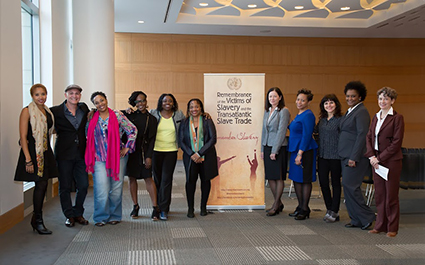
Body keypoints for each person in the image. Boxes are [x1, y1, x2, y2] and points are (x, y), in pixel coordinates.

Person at [85, 91, 137, 227]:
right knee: (101, 189)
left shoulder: (118, 115)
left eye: (102, 100)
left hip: (117, 157)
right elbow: (87, 136)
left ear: (106, 100)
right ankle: (101, 217)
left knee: (116, 188)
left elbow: (132, 130)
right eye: (97, 103)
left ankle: (115, 215)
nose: (100, 104)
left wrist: (127, 147)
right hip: (99, 158)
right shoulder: (92, 118)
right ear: (94, 105)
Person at [14, 84, 59, 234]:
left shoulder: (47, 111)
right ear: (32, 96)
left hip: (45, 151)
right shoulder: (27, 111)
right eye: (37, 95)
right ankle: (38, 220)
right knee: (40, 184)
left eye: (43, 94)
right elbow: (23, 137)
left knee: (43, 184)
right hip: (33, 153)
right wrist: (28, 159)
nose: (41, 97)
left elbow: (49, 131)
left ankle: (36, 218)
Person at [366, 87, 404, 237]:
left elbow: (396, 142)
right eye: (380, 98)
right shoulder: (376, 117)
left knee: (391, 196)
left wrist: (379, 158)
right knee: (380, 195)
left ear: (392, 101)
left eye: (386, 99)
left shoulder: (397, 118)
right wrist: (371, 156)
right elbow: (369, 137)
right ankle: (380, 225)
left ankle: (392, 227)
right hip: (376, 161)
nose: (382, 101)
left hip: (391, 161)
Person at [50, 84, 90, 228]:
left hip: (81, 154)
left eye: (77, 93)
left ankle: (78, 212)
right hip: (64, 154)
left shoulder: (84, 108)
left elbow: (97, 114)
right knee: (65, 186)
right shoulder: (55, 111)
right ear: (65, 95)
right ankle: (69, 215)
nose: (75, 96)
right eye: (71, 93)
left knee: (84, 185)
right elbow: (43, 123)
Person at [338, 81, 375, 230]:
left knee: (351, 186)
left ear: (360, 97)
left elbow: (362, 135)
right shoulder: (350, 111)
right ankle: (356, 219)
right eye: (348, 96)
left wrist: (354, 157)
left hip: (355, 156)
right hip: (345, 155)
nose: (350, 98)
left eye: (353, 96)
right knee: (347, 187)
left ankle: (367, 216)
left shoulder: (362, 111)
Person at [122, 91, 159, 220]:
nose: (141, 103)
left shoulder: (152, 119)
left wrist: (149, 156)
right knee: (131, 178)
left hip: (144, 152)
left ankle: (155, 207)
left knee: (148, 178)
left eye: (143, 100)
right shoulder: (128, 115)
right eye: (138, 102)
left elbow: (153, 139)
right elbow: (114, 115)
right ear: (134, 103)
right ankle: (135, 206)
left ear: (146, 101)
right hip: (131, 152)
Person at [179, 99, 218, 218]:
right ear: (188, 109)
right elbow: (181, 141)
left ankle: (203, 207)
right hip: (190, 158)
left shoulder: (207, 120)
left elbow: (213, 139)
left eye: (196, 107)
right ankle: (190, 208)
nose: (194, 109)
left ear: (201, 108)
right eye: (191, 107)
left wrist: (200, 153)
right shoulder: (185, 122)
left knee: (205, 181)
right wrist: (192, 154)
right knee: (190, 182)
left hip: (206, 156)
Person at [150, 93, 185, 221]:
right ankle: (156, 207)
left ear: (173, 103)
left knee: (166, 180)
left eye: (170, 101)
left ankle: (164, 209)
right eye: (165, 101)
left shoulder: (179, 114)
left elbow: (189, 123)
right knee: (157, 180)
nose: (167, 103)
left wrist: (204, 115)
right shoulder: (153, 113)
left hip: (171, 151)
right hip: (155, 151)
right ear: (161, 102)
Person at [287, 89, 318, 220]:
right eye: (298, 99)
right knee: (296, 179)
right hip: (295, 150)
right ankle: (300, 206)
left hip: (305, 151)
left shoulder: (308, 115)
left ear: (309, 102)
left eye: (303, 100)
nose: (299, 102)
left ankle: (305, 208)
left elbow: (306, 135)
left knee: (305, 180)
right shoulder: (299, 114)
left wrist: (300, 154)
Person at [261, 87, 290, 216]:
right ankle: (278, 203)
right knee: (271, 177)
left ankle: (275, 205)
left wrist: (275, 150)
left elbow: (281, 132)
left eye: (274, 96)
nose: (272, 99)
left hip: (278, 148)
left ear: (280, 97)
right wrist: (263, 149)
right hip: (267, 146)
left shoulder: (284, 111)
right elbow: (264, 131)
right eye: (270, 97)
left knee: (278, 177)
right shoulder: (267, 111)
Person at [315, 94, 343, 223]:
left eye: (331, 103)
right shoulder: (321, 121)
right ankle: (329, 208)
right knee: (323, 183)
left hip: (336, 157)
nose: (329, 105)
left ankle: (335, 211)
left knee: (336, 184)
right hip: (322, 156)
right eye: (326, 103)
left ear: (336, 105)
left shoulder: (340, 120)